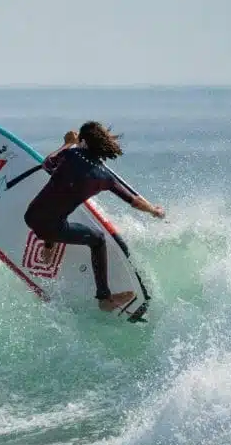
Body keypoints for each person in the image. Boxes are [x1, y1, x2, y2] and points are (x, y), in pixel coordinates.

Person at [24, 121, 165, 312]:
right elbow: (132, 201)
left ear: (83, 142)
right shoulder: (104, 178)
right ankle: (104, 298)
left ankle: (48, 245)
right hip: (53, 227)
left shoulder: (71, 155)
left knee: (53, 208)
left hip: (31, 216)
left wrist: (68, 143)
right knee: (97, 239)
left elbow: (48, 164)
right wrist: (153, 210)